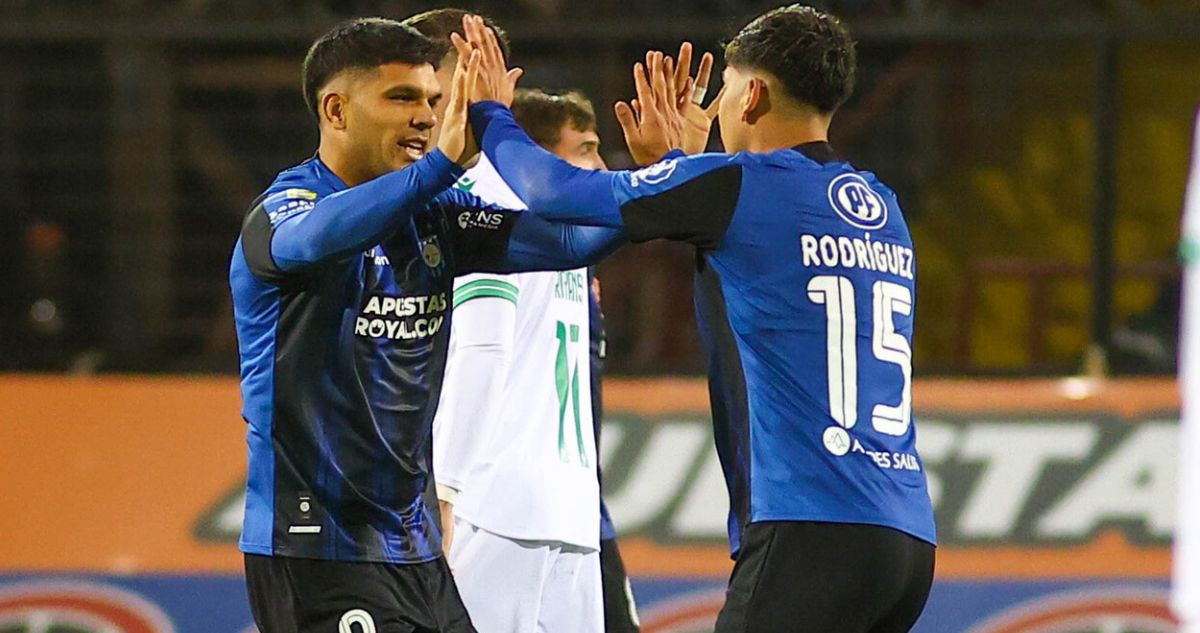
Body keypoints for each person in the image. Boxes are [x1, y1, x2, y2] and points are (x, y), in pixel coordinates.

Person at [457, 6, 936, 632]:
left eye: (728, 88)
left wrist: (491, 112)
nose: (721, 106)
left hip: (809, 525)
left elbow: (557, 194)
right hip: (905, 536)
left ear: (753, 95)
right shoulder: (880, 205)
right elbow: (755, 268)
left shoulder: (736, 186)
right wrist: (677, 166)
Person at [229, 18, 624, 633]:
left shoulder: (436, 216)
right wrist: (439, 166)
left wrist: (664, 175)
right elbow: (312, 241)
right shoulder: (287, 208)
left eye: (434, 101)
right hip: (318, 545)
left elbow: (574, 242)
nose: (425, 116)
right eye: (402, 98)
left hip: (415, 550)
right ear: (335, 110)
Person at [403, 11, 642, 632]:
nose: (417, 116)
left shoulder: (475, 195)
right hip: (571, 513)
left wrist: (447, 492)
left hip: (492, 506)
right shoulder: (542, 200)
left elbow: (484, 349)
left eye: (424, 93)